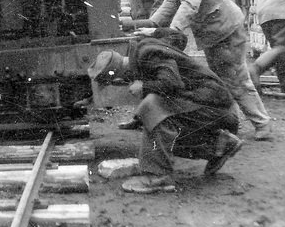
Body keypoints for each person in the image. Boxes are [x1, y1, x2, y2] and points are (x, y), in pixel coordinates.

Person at [142, 0, 274, 141]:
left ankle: (262, 123)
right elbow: (172, 2)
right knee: (219, 81)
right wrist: (151, 24)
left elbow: (189, 5)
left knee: (237, 79)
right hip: (214, 35)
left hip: (227, 32)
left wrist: (171, 31)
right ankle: (232, 124)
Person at [89, 28, 244, 193]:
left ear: (119, 75)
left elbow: (172, 82)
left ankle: (158, 177)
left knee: (152, 107)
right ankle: (220, 144)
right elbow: (179, 37)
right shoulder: (146, 49)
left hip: (216, 108)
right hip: (213, 107)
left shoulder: (147, 54)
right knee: (159, 134)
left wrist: (145, 86)